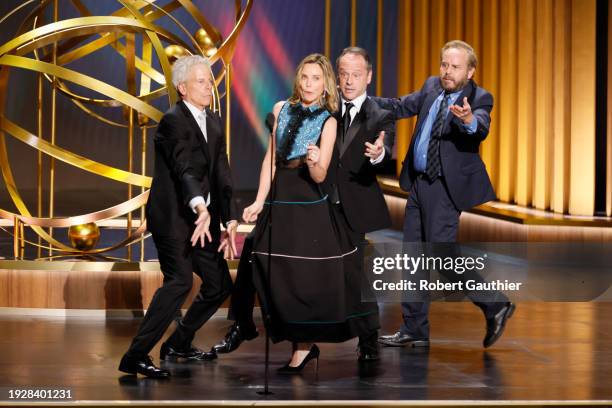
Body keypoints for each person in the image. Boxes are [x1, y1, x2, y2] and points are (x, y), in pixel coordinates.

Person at [373, 40, 515, 349]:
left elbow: (480, 125)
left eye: (455, 67)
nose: (447, 72)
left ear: (470, 70)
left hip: (445, 188)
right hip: (419, 184)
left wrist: (467, 121)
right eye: (444, 65)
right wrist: (360, 99)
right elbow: (399, 106)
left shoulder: (479, 97)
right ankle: (414, 328)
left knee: (441, 255)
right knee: (412, 258)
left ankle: (495, 303)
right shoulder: (430, 87)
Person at [246, 53, 380, 374]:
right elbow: (270, 161)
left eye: (316, 79)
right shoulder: (281, 109)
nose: (308, 84)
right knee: (273, 269)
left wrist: (314, 159)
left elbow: (320, 176)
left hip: (309, 203)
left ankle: (304, 347)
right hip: (280, 202)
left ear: (325, 84)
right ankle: (284, 339)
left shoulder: (328, 120)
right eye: (304, 77)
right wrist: (258, 200)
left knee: (303, 277)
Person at [118, 55, 238, 378]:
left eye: (209, 80)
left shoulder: (213, 121)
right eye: (201, 81)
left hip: (203, 220)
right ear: (183, 88)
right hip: (174, 217)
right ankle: (136, 355)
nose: (208, 86)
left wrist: (229, 220)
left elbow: (221, 174)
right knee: (180, 281)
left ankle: (179, 342)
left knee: (218, 284)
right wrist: (200, 207)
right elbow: (184, 168)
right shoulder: (173, 120)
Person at [322, 46, 396, 361]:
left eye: (356, 74)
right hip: (319, 202)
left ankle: (368, 337)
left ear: (368, 76)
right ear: (337, 77)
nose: (350, 81)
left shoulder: (381, 114)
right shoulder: (325, 109)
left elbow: (386, 151)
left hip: (353, 207)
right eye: (344, 74)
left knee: (353, 270)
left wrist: (379, 154)